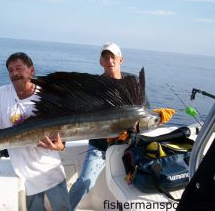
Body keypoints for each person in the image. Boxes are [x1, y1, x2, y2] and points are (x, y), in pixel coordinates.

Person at [68, 42, 175, 210]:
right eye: (106, 57)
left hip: (129, 146)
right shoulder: (95, 86)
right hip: (100, 145)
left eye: (113, 57)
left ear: (121, 60)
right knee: (84, 182)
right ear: (101, 62)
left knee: (141, 183)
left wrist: (158, 116)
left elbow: (143, 112)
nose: (110, 60)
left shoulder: (133, 83)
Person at [0, 52, 71, 211]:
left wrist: (60, 147)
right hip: (24, 173)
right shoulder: (3, 93)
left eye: (19, 68)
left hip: (50, 170)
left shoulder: (46, 95)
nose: (14, 73)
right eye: (10, 70)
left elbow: (63, 130)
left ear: (32, 70)